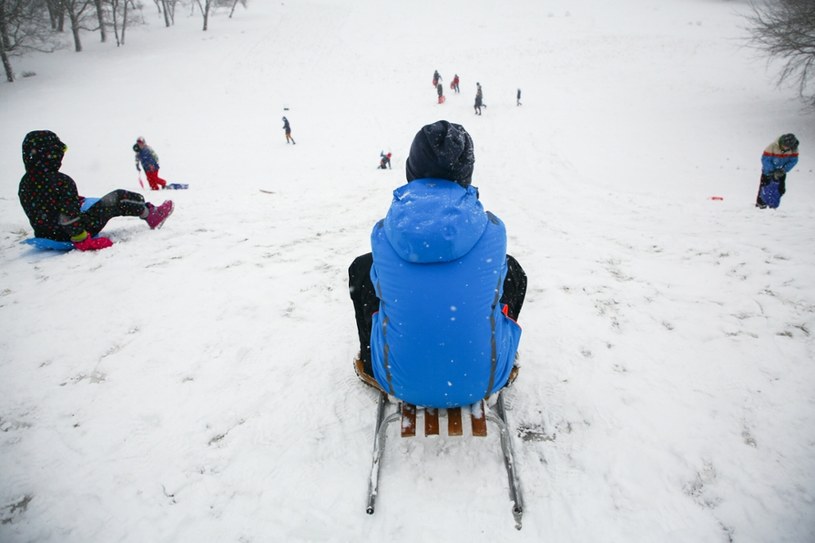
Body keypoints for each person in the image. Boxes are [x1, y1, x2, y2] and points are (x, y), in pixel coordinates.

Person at [348, 120, 526, 408]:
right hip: (484, 379)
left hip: (398, 379)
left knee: (363, 270)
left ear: (412, 169)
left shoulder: (384, 234)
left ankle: (372, 361)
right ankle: (496, 352)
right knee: (511, 272)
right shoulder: (493, 231)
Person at [19, 130, 174, 251]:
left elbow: (42, 207)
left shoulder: (25, 183)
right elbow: (69, 218)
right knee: (118, 198)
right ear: (52, 155)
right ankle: (150, 214)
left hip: (45, 234)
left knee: (87, 203)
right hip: (72, 234)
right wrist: (83, 240)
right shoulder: (62, 182)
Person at [756, 133, 799, 209]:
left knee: (781, 189)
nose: (785, 148)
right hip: (768, 171)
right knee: (764, 188)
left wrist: (784, 170)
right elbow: (765, 159)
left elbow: (793, 161)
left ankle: (773, 203)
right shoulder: (772, 147)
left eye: (787, 147)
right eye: (784, 146)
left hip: (781, 172)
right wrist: (771, 170)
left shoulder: (794, 150)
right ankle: (760, 204)